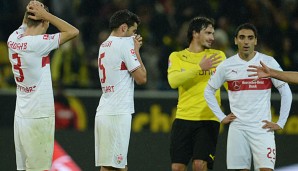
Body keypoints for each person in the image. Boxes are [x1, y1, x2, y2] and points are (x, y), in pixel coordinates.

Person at [204, 23, 292, 171]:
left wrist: (281, 122)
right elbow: (208, 91)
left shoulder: (268, 62)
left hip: (262, 128)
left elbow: (285, 91)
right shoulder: (227, 65)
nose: (246, 42)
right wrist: (221, 116)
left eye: (250, 38)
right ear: (235, 40)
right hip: (238, 128)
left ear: (255, 41)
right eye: (242, 37)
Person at [7, 1, 79, 170]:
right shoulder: (39, 43)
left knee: (23, 168)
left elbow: (25, 24)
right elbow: (73, 31)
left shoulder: (13, 38)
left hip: (21, 115)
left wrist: (31, 10)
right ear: (45, 22)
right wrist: (46, 14)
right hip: (39, 116)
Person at [167, 16, 226, 171]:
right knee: (177, 167)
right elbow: (173, 81)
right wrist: (199, 68)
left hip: (208, 118)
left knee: (200, 164)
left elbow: (231, 84)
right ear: (195, 33)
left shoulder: (218, 56)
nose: (212, 37)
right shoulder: (177, 56)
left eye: (212, 33)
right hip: (183, 118)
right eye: (208, 33)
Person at [94, 9, 147, 171]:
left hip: (104, 110)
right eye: (133, 31)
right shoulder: (125, 44)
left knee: (109, 166)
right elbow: (142, 78)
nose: (134, 36)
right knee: (118, 166)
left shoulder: (104, 45)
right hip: (117, 112)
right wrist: (136, 51)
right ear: (123, 28)